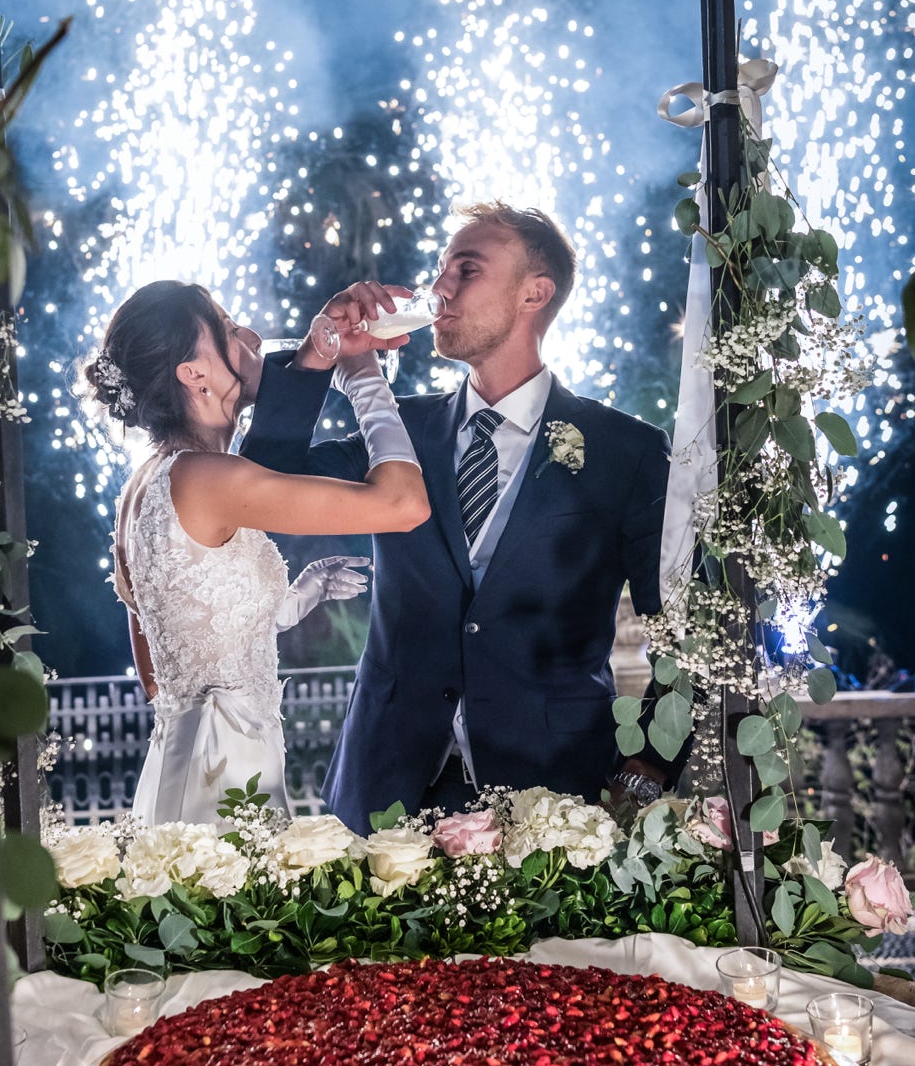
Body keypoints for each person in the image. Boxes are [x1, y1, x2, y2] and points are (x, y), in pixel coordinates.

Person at [240, 201, 677, 836]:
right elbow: (261, 488)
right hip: (387, 786)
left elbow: (684, 634)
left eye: (466, 270)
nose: (439, 287)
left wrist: (643, 777)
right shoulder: (398, 434)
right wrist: (318, 354)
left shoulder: (628, 452)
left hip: (559, 794)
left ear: (536, 292)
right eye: (442, 269)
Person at [86, 280, 428, 826]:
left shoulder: (143, 486)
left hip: (184, 763)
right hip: (231, 775)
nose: (251, 334)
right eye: (225, 329)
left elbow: (160, 663)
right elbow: (402, 504)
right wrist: (362, 380)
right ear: (192, 373)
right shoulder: (206, 479)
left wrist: (317, 357)